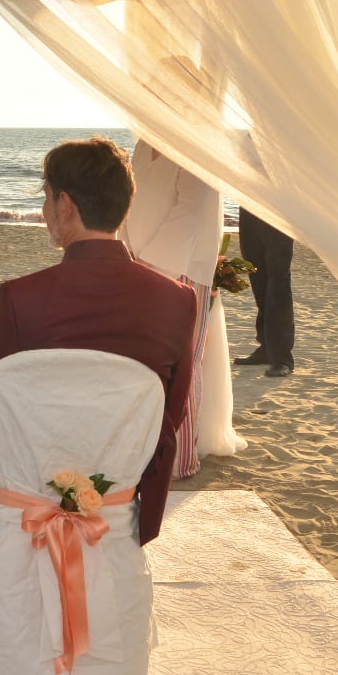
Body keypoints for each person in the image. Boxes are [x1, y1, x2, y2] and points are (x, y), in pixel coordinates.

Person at [0, 137, 199, 545]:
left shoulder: (19, 297)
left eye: (46, 198)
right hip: (117, 496)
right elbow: (170, 415)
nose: (44, 212)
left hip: (31, 491)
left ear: (65, 204)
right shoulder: (177, 299)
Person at [119, 140, 227, 476]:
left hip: (182, 269)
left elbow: (192, 211)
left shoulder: (194, 143)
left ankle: (179, 459)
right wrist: (124, 253)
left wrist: (151, 264)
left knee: (181, 365)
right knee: (141, 363)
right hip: (136, 264)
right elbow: (128, 203)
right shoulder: (142, 144)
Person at [234, 208, 294, 376]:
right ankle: (266, 348)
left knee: (278, 284)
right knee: (257, 277)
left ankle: (282, 358)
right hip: (249, 209)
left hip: (277, 210)